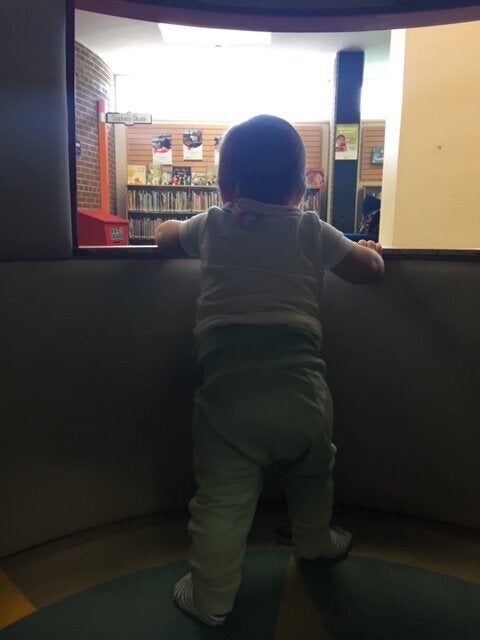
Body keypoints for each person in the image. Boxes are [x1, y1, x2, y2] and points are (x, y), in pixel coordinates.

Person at [155, 114, 384, 626]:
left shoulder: (212, 224)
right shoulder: (311, 229)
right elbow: (367, 273)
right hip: (303, 392)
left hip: (228, 400)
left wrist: (165, 225)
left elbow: (167, 239)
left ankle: (212, 597)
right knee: (312, 472)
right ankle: (316, 543)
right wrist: (372, 252)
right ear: (302, 187)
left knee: (221, 500)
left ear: (224, 185)